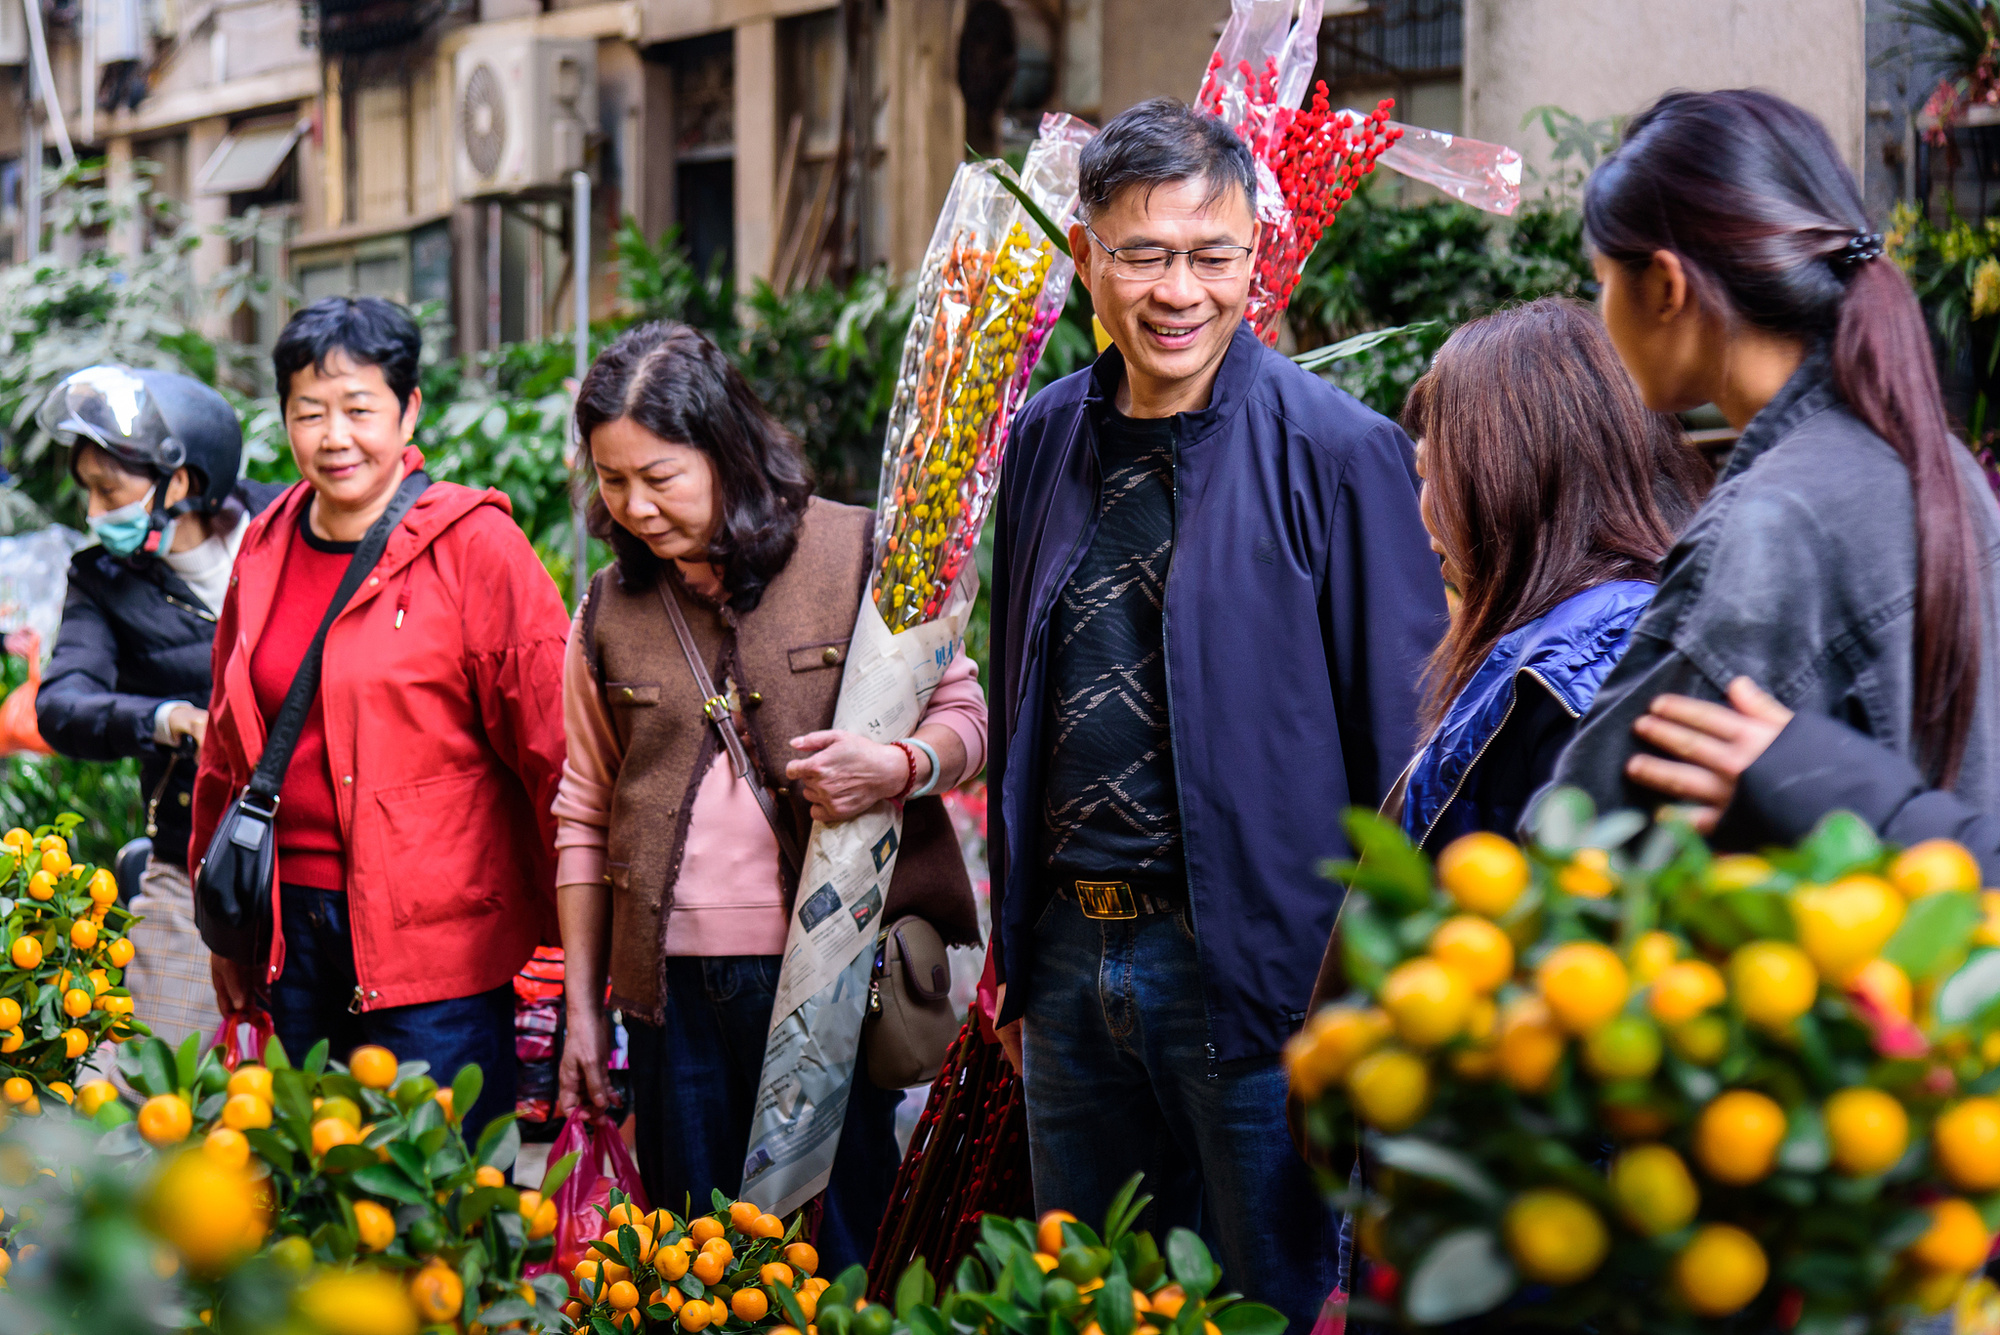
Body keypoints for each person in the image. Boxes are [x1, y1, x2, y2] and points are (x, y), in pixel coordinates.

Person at [984, 97, 1446, 1330]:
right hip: (1074, 964)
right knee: (1089, 1303)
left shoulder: (1338, 453)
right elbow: (1018, 696)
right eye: (1143, 253)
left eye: (1211, 256)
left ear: (1254, 259)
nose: (1178, 289)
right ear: (1086, 258)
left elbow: (1401, 755)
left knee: (1270, 1302)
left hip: (1257, 976)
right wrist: (1019, 967)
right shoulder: (1039, 443)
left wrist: (1373, 996)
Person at [551, 321, 984, 1270]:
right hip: (672, 1000)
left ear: (726, 450)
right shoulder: (607, 611)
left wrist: (900, 765)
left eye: (659, 478)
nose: (634, 507)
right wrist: (585, 1008)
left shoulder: (864, 552)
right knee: (699, 1269)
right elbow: (583, 814)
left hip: (836, 975)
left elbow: (966, 719)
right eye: (612, 481)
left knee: (846, 1257)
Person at [1546, 89, 2000, 817]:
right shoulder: (1944, 467)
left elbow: (1586, 828)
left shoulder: (1774, 522)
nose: (1601, 312)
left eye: (1601, 281)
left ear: (1665, 285)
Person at [189, 297, 569, 1136]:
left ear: (410, 411)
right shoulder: (265, 545)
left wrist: (577, 939)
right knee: (308, 1207)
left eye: (359, 409)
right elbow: (227, 744)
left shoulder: (475, 547)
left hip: (439, 957)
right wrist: (223, 925)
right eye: (309, 413)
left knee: (436, 1212)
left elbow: (557, 750)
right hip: (289, 936)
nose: (335, 437)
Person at [1392, 298, 1709, 850]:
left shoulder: (1593, 662)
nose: (1421, 507)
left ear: (1508, 477)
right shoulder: (1601, 640)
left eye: (1431, 470)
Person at [35, 367, 286, 1061]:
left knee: (313, 1105)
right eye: (87, 489)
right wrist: (169, 716)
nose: (94, 510)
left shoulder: (289, 526)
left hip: (317, 860)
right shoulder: (102, 579)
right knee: (158, 1083)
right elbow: (62, 704)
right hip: (193, 859)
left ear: (181, 482)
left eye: (109, 490)